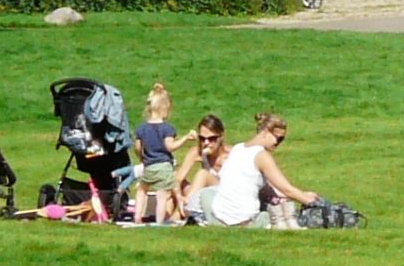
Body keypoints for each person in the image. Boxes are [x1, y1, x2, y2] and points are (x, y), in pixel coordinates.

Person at [187, 112, 321, 229]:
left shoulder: (238, 149)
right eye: (277, 138)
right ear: (264, 132)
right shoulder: (261, 156)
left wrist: (302, 194)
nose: (278, 143)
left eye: (282, 139)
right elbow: (286, 188)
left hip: (218, 218)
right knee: (272, 215)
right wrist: (312, 202)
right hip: (243, 221)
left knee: (208, 193)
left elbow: (270, 189)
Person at [131, 84, 181, 225]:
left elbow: (137, 147)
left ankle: (137, 217)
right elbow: (170, 147)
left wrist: (141, 157)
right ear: (164, 108)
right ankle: (159, 221)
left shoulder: (141, 128)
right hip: (164, 166)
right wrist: (185, 139)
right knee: (161, 195)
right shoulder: (167, 128)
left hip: (149, 166)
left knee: (142, 190)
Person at [171, 114, 227, 206]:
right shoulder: (197, 152)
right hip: (202, 194)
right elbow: (178, 179)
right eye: (202, 138)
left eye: (211, 139)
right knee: (172, 181)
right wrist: (179, 197)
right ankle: (165, 218)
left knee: (203, 174)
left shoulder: (231, 155)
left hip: (222, 197)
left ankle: (188, 207)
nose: (206, 143)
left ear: (221, 137)